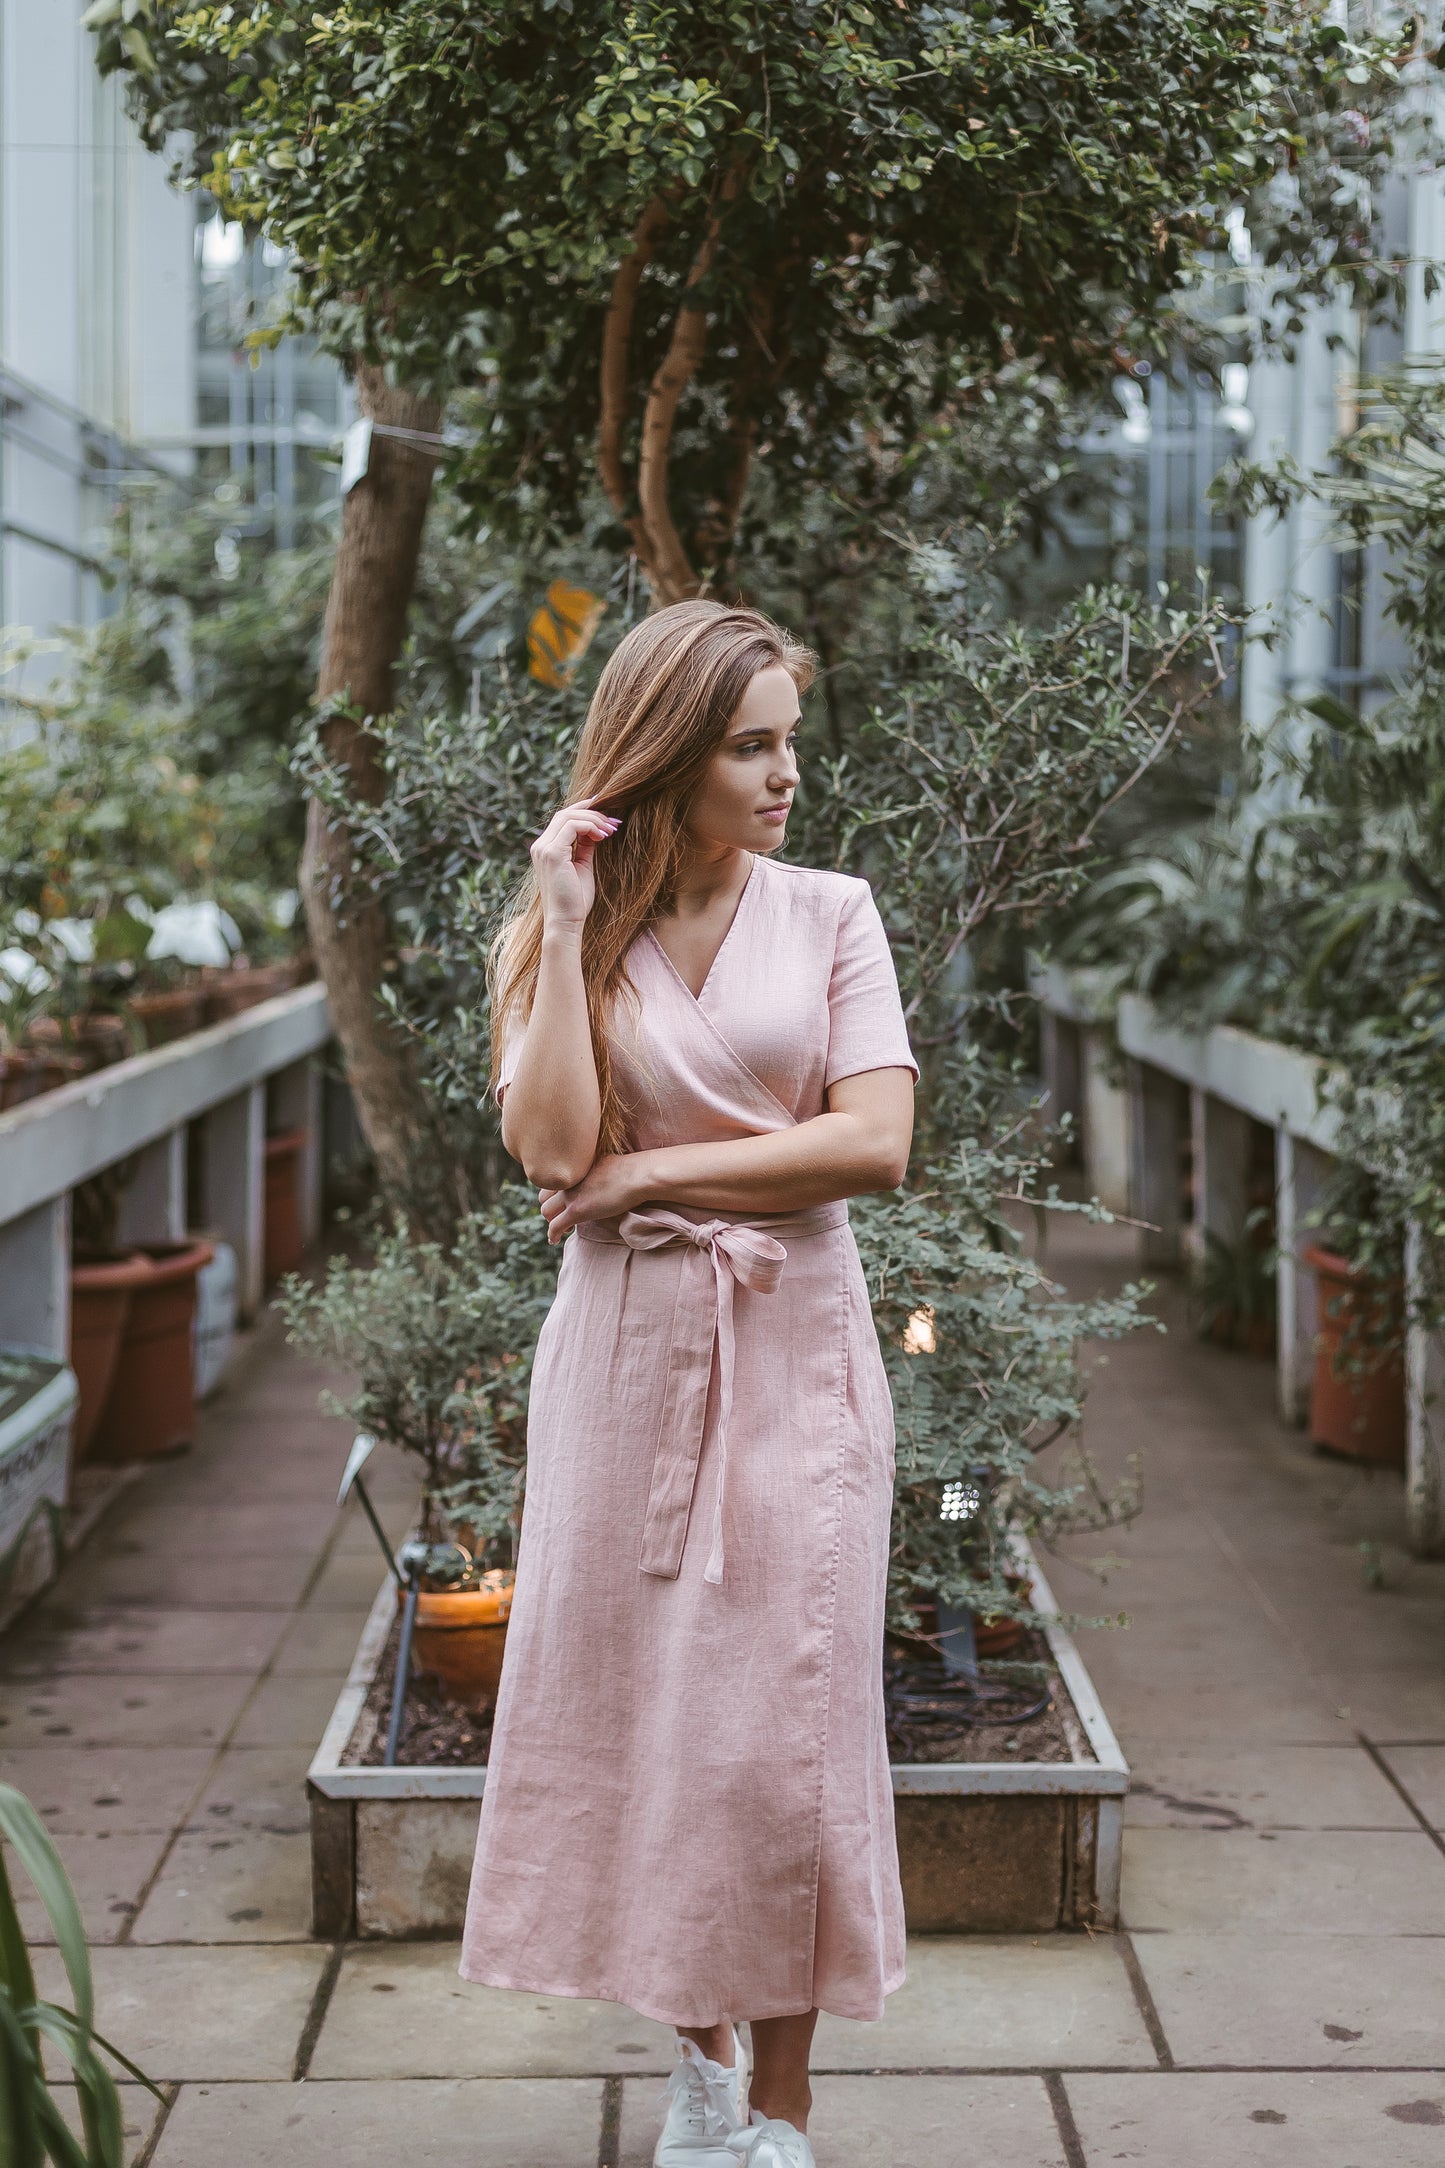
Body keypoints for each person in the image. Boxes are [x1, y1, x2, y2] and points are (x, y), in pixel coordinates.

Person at [460, 599, 917, 2168]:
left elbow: (874, 1145)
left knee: (787, 1723)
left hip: (796, 1346)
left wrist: (655, 1172)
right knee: (654, 1714)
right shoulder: (568, 928)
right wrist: (571, 921)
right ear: (668, 756)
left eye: (789, 739)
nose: (786, 774)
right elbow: (549, 1155)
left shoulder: (834, 913)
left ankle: (779, 2112)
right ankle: (699, 2066)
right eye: (750, 746)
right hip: (626, 1362)